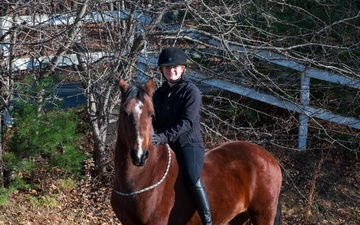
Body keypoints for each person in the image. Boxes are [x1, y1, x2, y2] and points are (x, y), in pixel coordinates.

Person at [151, 47, 212, 225]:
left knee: (192, 177)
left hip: (188, 144)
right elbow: (153, 119)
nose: (172, 70)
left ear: (183, 68)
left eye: (176, 67)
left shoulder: (190, 91)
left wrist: (162, 137)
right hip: (164, 145)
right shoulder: (158, 94)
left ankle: (207, 220)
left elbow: (187, 123)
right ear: (162, 70)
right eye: (167, 67)